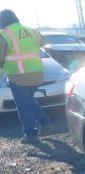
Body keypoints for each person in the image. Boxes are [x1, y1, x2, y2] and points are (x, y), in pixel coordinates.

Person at [0, 9, 50, 144]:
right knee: (29, 101)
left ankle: (30, 134)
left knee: (23, 107)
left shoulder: (4, 34)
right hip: (37, 74)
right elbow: (43, 42)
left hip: (19, 76)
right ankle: (45, 124)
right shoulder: (30, 30)